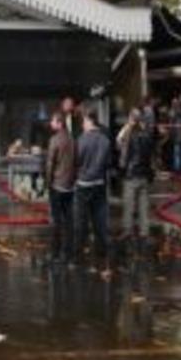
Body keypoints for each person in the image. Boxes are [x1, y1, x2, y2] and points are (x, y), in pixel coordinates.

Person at [75, 111, 112, 267]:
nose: (82, 125)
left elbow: (77, 160)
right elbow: (108, 162)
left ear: (89, 120)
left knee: (82, 218)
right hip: (99, 183)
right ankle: (102, 249)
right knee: (100, 218)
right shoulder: (105, 140)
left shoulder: (82, 139)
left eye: (83, 121)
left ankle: (80, 248)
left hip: (83, 183)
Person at [117, 108, 155, 252]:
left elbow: (123, 152)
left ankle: (128, 230)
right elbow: (151, 156)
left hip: (131, 174)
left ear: (131, 119)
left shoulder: (129, 134)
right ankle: (144, 232)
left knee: (129, 205)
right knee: (144, 205)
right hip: (144, 174)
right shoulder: (148, 134)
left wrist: (122, 170)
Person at [45, 111, 75, 264]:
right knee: (69, 219)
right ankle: (68, 251)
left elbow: (50, 163)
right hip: (70, 186)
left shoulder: (54, 140)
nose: (51, 123)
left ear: (59, 123)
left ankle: (55, 252)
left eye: (53, 121)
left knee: (56, 221)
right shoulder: (71, 139)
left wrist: (48, 182)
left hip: (57, 185)